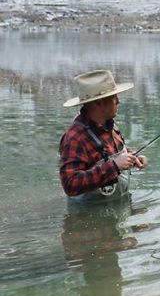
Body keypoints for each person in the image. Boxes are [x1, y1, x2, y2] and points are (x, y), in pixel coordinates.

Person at [59, 69, 148, 199]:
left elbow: (109, 154)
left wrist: (133, 157)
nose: (118, 101)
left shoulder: (110, 125)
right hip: (86, 213)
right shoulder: (75, 138)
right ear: (99, 103)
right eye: (114, 98)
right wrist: (114, 166)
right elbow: (70, 185)